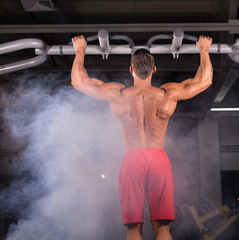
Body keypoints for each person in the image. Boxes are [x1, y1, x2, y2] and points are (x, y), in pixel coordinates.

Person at [71, 35, 213, 240]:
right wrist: (204, 49)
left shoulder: (118, 94)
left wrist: (80, 49)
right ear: (154, 70)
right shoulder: (167, 94)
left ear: (131, 70)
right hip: (158, 159)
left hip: (132, 159)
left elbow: (78, 81)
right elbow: (205, 80)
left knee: (133, 228)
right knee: (162, 227)